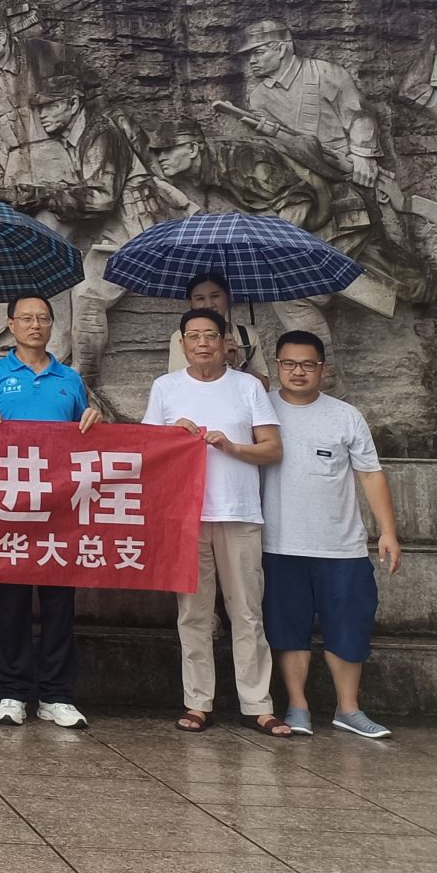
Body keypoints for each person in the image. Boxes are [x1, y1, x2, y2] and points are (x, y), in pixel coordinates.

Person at [144, 306, 290, 736]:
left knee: (247, 611)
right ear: (182, 343)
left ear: (226, 342)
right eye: (193, 336)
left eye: (211, 334)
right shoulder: (166, 387)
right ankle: (197, 702)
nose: (203, 343)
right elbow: (147, 450)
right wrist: (172, 436)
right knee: (193, 613)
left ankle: (257, 704)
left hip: (238, 512)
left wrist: (231, 447)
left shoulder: (248, 387)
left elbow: (273, 449)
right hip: (187, 516)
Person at [0, 295, 100, 730]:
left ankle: (57, 695)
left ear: (52, 325)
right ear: (11, 325)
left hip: (59, 508)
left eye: (43, 318)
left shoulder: (70, 379)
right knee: (11, 603)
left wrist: (95, 420)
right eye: (26, 318)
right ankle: (11, 692)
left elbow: (87, 433)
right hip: (9, 505)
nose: (35, 325)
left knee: (60, 602)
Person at [263, 331, 401, 738]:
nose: (298, 371)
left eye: (308, 364)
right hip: (279, 542)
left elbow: (370, 474)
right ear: (277, 366)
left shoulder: (345, 415)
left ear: (323, 369)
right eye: (289, 364)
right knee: (288, 628)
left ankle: (349, 708)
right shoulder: (261, 409)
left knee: (349, 625)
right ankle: (297, 706)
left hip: (341, 545)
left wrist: (388, 531)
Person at [165, 273, 271, 384]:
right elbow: (178, 384)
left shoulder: (247, 336)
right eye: (200, 298)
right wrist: (219, 356)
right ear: (191, 303)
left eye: (215, 296)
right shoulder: (183, 336)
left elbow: (264, 387)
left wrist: (239, 361)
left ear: (227, 297)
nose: (209, 304)